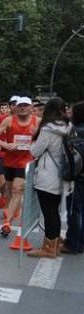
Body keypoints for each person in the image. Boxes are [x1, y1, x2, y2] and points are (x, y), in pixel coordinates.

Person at [27, 98, 73, 258]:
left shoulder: (48, 129)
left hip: (48, 176)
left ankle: (49, 247)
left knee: (49, 212)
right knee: (55, 211)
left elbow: (35, 151)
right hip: (65, 174)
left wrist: (32, 141)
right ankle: (55, 242)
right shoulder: (69, 127)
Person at [0, 96, 38, 245]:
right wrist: (6, 145)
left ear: (31, 107)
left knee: (18, 190)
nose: (23, 108)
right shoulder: (9, 120)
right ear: (16, 107)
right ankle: (11, 209)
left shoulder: (36, 122)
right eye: (20, 105)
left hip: (26, 162)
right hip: (10, 161)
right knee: (9, 190)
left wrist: (36, 145)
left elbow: (45, 138)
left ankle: (7, 222)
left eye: (26, 105)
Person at [62, 102, 84, 254]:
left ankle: (72, 243)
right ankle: (81, 242)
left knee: (74, 210)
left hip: (78, 176)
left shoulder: (74, 131)